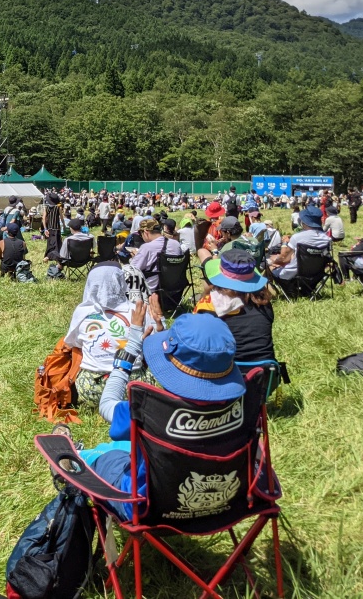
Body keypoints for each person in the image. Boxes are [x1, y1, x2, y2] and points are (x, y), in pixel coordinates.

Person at [81, 313, 246, 520]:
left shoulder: (147, 406)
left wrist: (126, 358)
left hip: (147, 509)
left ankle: (78, 456)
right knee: (125, 448)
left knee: (105, 457)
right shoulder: (246, 403)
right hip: (229, 502)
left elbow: (107, 406)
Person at [66, 264, 160, 408]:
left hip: (90, 389)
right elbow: (155, 343)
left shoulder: (83, 313)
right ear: (122, 282)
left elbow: (74, 344)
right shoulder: (137, 310)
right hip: (133, 390)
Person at [196, 250, 277, 364]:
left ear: (220, 271)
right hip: (265, 375)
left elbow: (198, 340)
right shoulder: (264, 303)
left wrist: (206, 293)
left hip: (226, 374)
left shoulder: (210, 305)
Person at [268, 205, 332, 293]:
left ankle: (277, 293)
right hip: (316, 276)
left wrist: (274, 261)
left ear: (304, 222)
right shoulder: (327, 239)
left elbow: (284, 258)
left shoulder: (297, 237)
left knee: (270, 267)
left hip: (293, 275)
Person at [131, 218, 187, 293]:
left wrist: (136, 257)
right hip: (175, 289)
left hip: (153, 291)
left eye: (141, 234)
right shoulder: (176, 244)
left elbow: (132, 270)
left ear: (145, 232)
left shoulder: (146, 247)